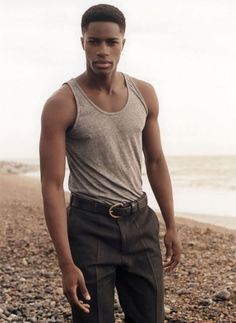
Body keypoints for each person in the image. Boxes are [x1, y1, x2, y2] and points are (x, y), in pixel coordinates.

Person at [40, 4, 180, 323]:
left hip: (140, 222)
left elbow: (156, 161)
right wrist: (65, 263)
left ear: (122, 43)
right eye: (94, 41)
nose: (102, 50)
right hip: (89, 227)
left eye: (111, 42)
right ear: (83, 42)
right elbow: (50, 184)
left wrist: (170, 225)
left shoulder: (145, 94)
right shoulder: (61, 104)